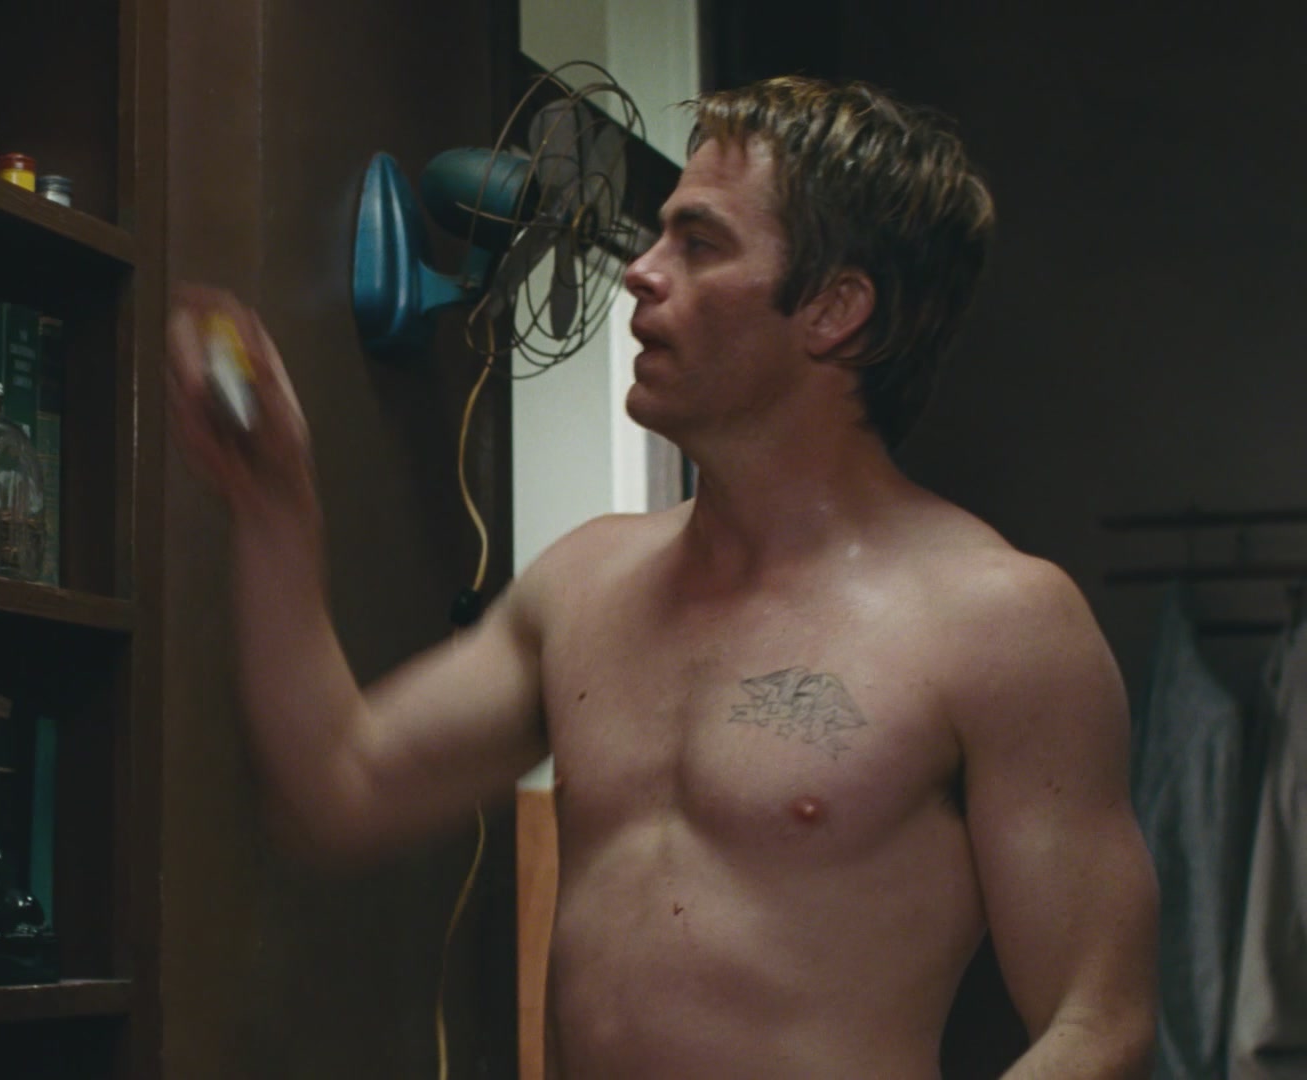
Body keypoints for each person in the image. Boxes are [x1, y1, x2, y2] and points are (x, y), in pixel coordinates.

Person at [166, 75, 1158, 1078]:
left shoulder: (998, 621)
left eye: (699, 243)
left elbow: (1099, 1018)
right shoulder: (587, 581)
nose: (640, 271)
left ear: (834, 309)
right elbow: (341, 786)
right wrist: (274, 508)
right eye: (658, 236)